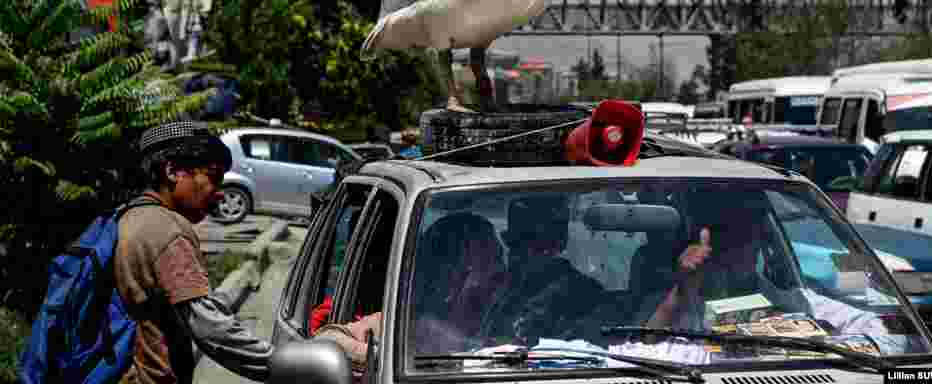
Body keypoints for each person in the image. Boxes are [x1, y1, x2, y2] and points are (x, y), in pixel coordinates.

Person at [642, 192, 923, 357]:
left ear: (760, 241)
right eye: (724, 237)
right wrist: (680, 289)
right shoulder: (667, 302)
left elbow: (888, 335)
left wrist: (819, 340)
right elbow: (638, 350)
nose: (735, 250)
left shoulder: (794, 300)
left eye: (746, 236)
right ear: (699, 241)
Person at [113, 121, 275, 383]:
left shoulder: (125, 216)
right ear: (174, 171)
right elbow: (210, 329)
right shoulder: (168, 229)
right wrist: (283, 365)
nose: (220, 194)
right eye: (213, 177)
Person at [313, 212, 507, 371]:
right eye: (482, 265)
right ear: (450, 275)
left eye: (497, 260)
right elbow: (328, 341)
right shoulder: (405, 326)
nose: (497, 278)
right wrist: (392, 360)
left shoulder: (507, 324)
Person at [478, 196, 605, 344]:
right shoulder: (493, 288)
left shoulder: (582, 293)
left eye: (534, 246)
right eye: (516, 247)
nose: (516, 257)